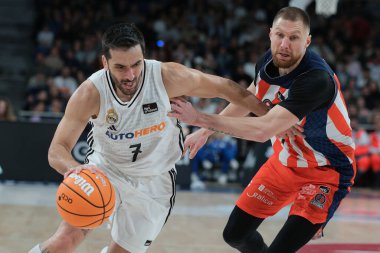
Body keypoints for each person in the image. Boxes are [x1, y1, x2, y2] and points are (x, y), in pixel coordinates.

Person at [28, 22, 273, 253]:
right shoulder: (90, 93)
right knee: (63, 241)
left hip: (155, 181)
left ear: (144, 56)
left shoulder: (168, 77)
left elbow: (227, 88)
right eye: (121, 67)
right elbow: (57, 149)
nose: (131, 74)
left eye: (136, 64)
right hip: (104, 172)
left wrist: (273, 119)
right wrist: (74, 169)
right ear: (105, 62)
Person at [169, 7, 356, 253]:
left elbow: (262, 131)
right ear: (270, 34)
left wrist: (201, 119)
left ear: (307, 41)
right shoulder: (268, 60)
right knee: (235, 234)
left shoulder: (316, 79)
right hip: (285, 162)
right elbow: (250, 98)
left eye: (294, 37)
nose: (284, 44)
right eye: (280, 35)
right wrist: (205, 133)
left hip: (326, 170)